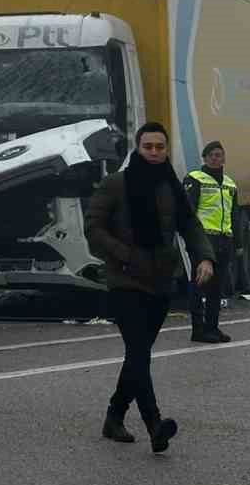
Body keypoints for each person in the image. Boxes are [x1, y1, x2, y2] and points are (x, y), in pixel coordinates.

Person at [87, 122, 215, 454]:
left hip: (160, 280)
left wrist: (204, 258)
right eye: (149, 147)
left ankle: (114, 415)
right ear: (138, 147)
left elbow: (190, 224)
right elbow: (94, 228)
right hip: (124, 280)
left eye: (160, 147)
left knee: (137, 356)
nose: (155, 152)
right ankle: (154, 424)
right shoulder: (117, 184)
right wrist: (124, 255)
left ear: (166, 149)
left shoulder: (172, 185)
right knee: (139, 352)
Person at [183, 141, 237, 343]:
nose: (216, 158)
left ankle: (212, 327)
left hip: (224, 238)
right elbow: (188, 212)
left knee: (217, 287)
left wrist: (237, 243)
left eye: (219, 155)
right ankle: (198, 330)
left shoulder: (230, 183)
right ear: (204, 158)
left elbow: (234, 214)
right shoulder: (194, 179)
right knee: (199, 285)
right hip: (203, 239)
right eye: (212, 155)